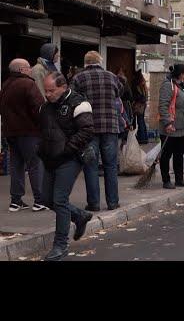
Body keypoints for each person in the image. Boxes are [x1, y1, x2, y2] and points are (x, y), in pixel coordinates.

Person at [38, 72, 95, 261]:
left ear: (63, 87)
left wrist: (66, 150)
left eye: (51, 90)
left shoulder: (80, 104)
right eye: (45, 90)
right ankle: (79, 216)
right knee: (46, 199)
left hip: (70, 158)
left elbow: (87, 131)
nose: (48, 94)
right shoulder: (46, 107)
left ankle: (60, 246)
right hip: (50, 159)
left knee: (59, 200)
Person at [72, 51, 123, 211]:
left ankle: (93, 203)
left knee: (91, 166)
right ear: (100, 62)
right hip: (110, 126)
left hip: (88, 128)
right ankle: (113, 202)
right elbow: (120, 92)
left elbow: (72, 99)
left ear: (85, 63)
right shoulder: (112, 76)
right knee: (111, 166)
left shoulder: (78, 78)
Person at [0, 59, 47, 212]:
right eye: (28, 67)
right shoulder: (28, 84)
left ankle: (16, 200)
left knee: (16, 166)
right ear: (21, 69)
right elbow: (39, 107)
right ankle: (39, 200)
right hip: (29, 132)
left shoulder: (5, 85)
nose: (31, 69)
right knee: (35, 165)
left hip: (11, 132)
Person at [158, 64, 184, 189]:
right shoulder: (168, 85)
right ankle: (166, 180)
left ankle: (179, 179)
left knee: (179, 154)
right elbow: (163, 105)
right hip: (170, 127)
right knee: (166, 154)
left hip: (181, 127)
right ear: (181, 74)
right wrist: (167, 122)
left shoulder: (182, 86)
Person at [132, 69, 149, 144]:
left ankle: (141, 138)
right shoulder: (143, 83)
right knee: (142, 120)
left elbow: (136, 95)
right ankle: (144, 138)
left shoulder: (136, 83)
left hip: (139, 104)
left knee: (140, 121)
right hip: (143, 104)